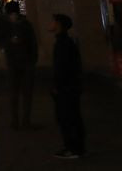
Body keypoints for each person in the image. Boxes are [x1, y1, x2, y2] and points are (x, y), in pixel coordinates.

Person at [0, 1, 37, 130]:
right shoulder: (17, 25)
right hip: (17, 62)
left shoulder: (22, 25)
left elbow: (32, 43)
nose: (13, 16)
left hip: (22, 62)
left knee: (21, 93)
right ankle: (18, 121)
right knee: (17, 93)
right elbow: (0, 40)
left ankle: (23, 121)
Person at [50, 13, 84, 159]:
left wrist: (57, 86)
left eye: (53, 21)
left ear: (59, 25)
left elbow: (63, 67)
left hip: (66, 88)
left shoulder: (63, 43)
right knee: (71, 117)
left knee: (68, 118)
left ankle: (73, 148)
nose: (51, 24)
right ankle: (75, 146)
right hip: (70, 87)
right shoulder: (65, 42)